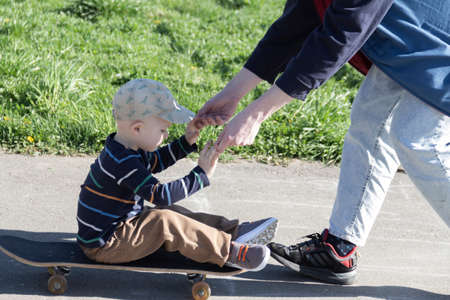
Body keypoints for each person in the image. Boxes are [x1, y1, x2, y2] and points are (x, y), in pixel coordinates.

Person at [194, 0, 449, 285]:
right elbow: (300, 19)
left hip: (439, 40)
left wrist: (256, 115)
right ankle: (339, 248)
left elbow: (340, 36)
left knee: (418, 138)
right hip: (414, 39)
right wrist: (234, 93)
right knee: (370, 122)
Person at [76, 78, 279, 272]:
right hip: (105, 245)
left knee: (173, 211)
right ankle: (229, 252)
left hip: (119, 229)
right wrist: (200, 175)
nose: (166, 136)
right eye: (163, 130)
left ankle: (233, 232)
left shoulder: (126, 149)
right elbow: (160, 195)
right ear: (137, 128)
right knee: (164, 220)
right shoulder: (122, 162)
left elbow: (155, 161)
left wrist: (186, 142)